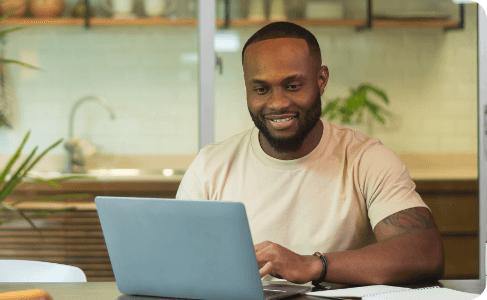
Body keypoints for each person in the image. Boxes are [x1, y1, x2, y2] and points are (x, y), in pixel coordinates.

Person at [176, 22, 444, 286]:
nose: (278, 103)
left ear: (321, 80)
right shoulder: (210, 166)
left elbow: (424, 253)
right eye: (261, 89)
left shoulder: (367, 160)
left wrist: (314, 265)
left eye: (293, 86)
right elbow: (176, 260)